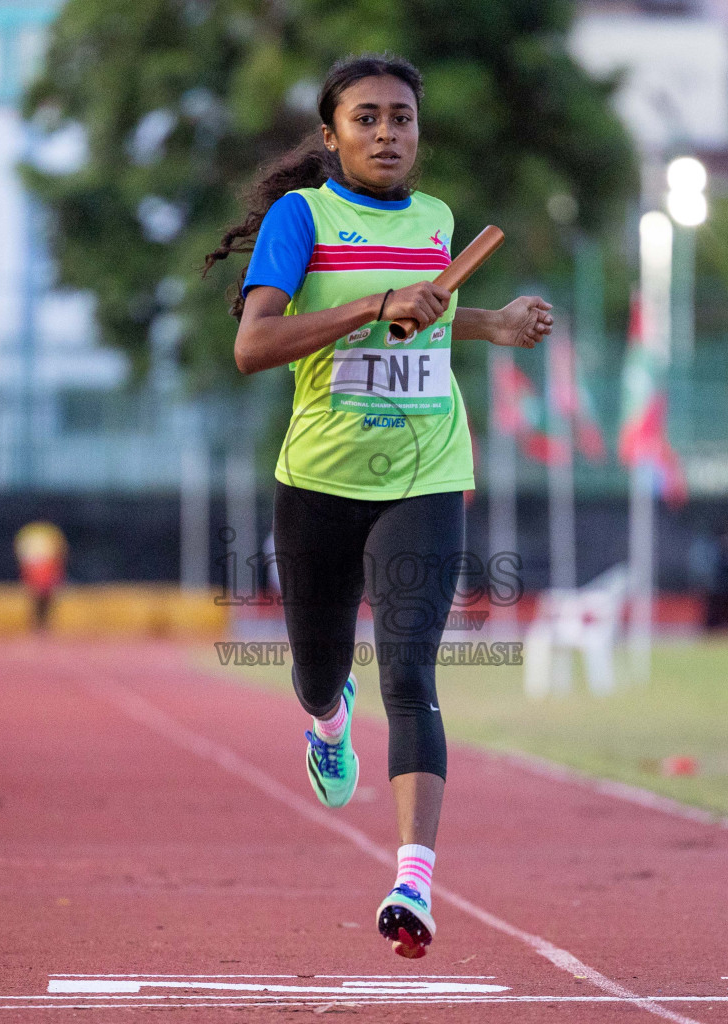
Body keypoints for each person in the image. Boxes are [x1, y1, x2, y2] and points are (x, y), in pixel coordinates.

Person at [206, 53, 553, 959]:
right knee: (320, 672)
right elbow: (254, 345)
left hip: (427, 472)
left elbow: (422, 317)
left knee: (412, 671)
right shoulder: (302, 217)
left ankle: (413, 881)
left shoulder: (437, 220)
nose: (387, 133)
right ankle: (327, 723)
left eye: (401, 118)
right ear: (331, 136)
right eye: (366, 118)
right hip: (320, 479)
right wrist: (373, 303)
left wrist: (492, 323)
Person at [15, 520, 67, 632]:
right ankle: (37, 624)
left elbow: (59, 550)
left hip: (47, 565)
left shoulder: (49, 533)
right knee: (35, 597)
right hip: (34, 566)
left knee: (47, 598)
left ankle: (44, 624)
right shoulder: (31, 532)